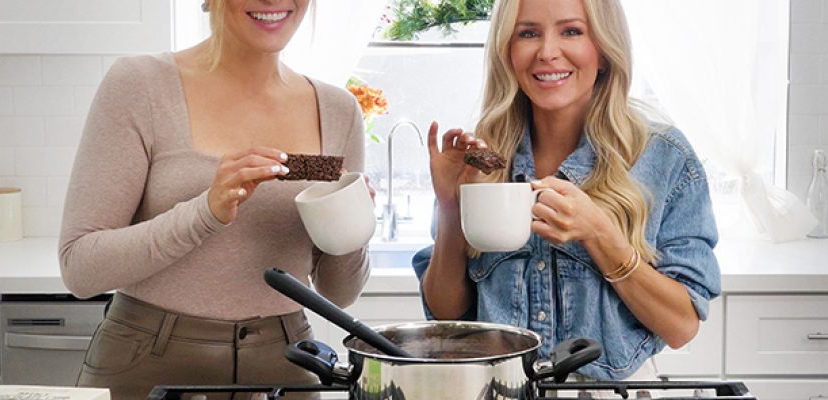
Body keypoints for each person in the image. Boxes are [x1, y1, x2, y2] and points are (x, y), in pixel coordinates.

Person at [59, 0, 370, 398]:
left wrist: (353, 223)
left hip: (285, 365)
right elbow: (80, 268)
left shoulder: (338, 110)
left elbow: (338, 293)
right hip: (149, 364)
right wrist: (205, 212)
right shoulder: (140, 85)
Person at [413, 0, 721, 381]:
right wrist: (449, 208)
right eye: (528, 33)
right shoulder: (483, 157)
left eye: (571, 31)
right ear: (507, 52)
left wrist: (600, 233)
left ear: (605, 51)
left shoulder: (663, 157)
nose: (547, 53)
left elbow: (681, 327)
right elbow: (447, 317)